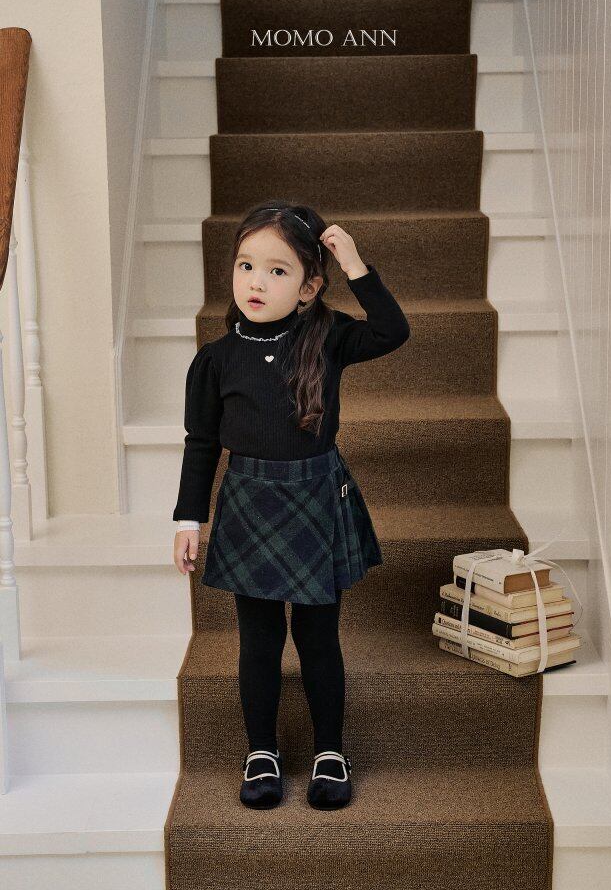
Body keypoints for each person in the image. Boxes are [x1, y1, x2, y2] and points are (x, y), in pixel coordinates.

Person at [172, 200, 410, 811]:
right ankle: (261, 751)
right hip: (248, 503)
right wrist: (188, 518)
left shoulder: (328, 338)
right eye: (247, 265)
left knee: (317, 635)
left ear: (308, 288)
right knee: (258, 638)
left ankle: (330, 750)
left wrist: (354, 263)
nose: (257, 281)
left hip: (314, 499)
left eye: (278, 271)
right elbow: (201, 443)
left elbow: (393, 331)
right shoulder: (215, 359)